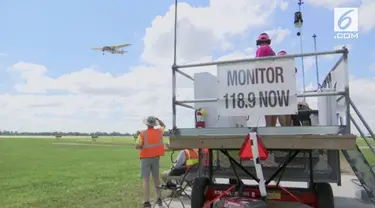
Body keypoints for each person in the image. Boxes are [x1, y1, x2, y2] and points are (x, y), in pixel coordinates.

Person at [135, 116, 166, 208]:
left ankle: (146, 202)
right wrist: (158, 119)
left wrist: (143, 147)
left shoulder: (142, 133)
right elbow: (163, 125)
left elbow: (137, 146)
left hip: (145, 159)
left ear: (146, 124)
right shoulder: (159, 132)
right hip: (156, 158)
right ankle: (159, 199)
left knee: (146, 180)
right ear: (154, 124)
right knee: (156, 179)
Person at [255, 32, 277, 126]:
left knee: (267, 105)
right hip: (273, 81)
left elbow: (258, 65)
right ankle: (272, 128)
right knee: (273, 107)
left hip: (265, 81)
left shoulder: (261, 49)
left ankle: (269, 128)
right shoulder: (272, 51)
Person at [276, 50, 298, 126]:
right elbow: (295, 71)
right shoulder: (289, 66)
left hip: (281, 91)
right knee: (287, 111)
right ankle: (287, 128)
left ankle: (284, 128)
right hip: (289, 91)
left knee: (281, 110)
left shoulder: (277, 67)